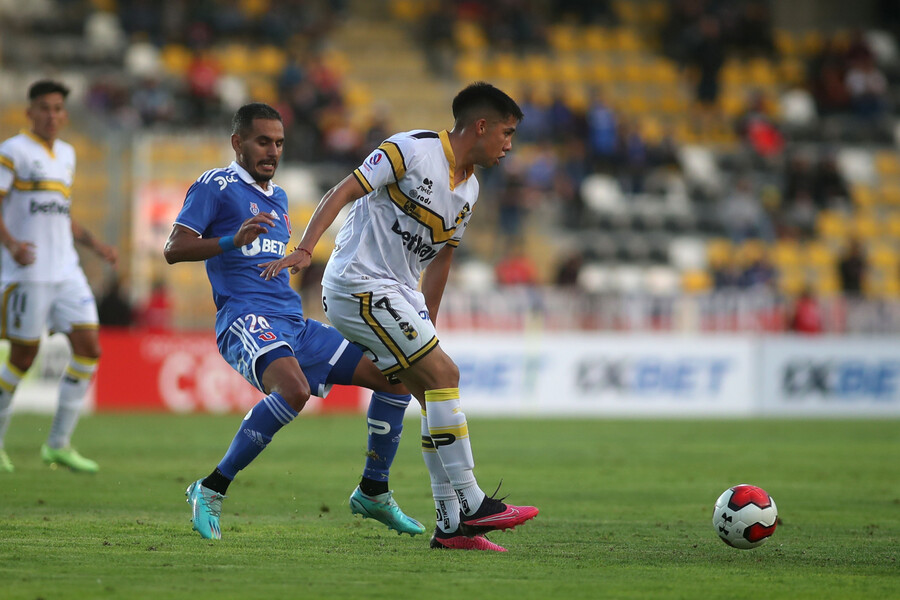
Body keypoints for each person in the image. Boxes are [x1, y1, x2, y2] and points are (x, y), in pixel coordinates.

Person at [261, 82, 539, 551]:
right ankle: (472, 501)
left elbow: (443, 259)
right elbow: (342, 190)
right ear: (482, 126)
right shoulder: (410, 150)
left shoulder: (468, 187)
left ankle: (451, 528)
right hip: (356, 285)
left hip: (399, 294)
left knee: (436, 391)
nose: (509, 145)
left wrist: (426, 322)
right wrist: (307, 248)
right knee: (445, 373)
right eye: (507, 133)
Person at [164, 102, 434, 544]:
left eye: (279, 143)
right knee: (293, 389)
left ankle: (374, 490)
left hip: (292, 319)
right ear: (238, 143)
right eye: (262, 141)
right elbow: (175, 248)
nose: (272, 151)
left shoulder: (281, 197)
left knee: (395, 378)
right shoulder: (216, 184)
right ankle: (210, 489)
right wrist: (233, 239)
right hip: (243, 317)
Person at [0, 80, 118, 473]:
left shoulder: (66, 154)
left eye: (58, 109)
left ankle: (58, 444)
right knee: (23, 356)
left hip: (66, 269)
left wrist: (96, 244)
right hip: (28, 272)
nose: (52, 115)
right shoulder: (12, 152)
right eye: (45, 108)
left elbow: (59, 214)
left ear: (65, 115)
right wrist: (12, 243)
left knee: (89, 348)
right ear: (29, 112)